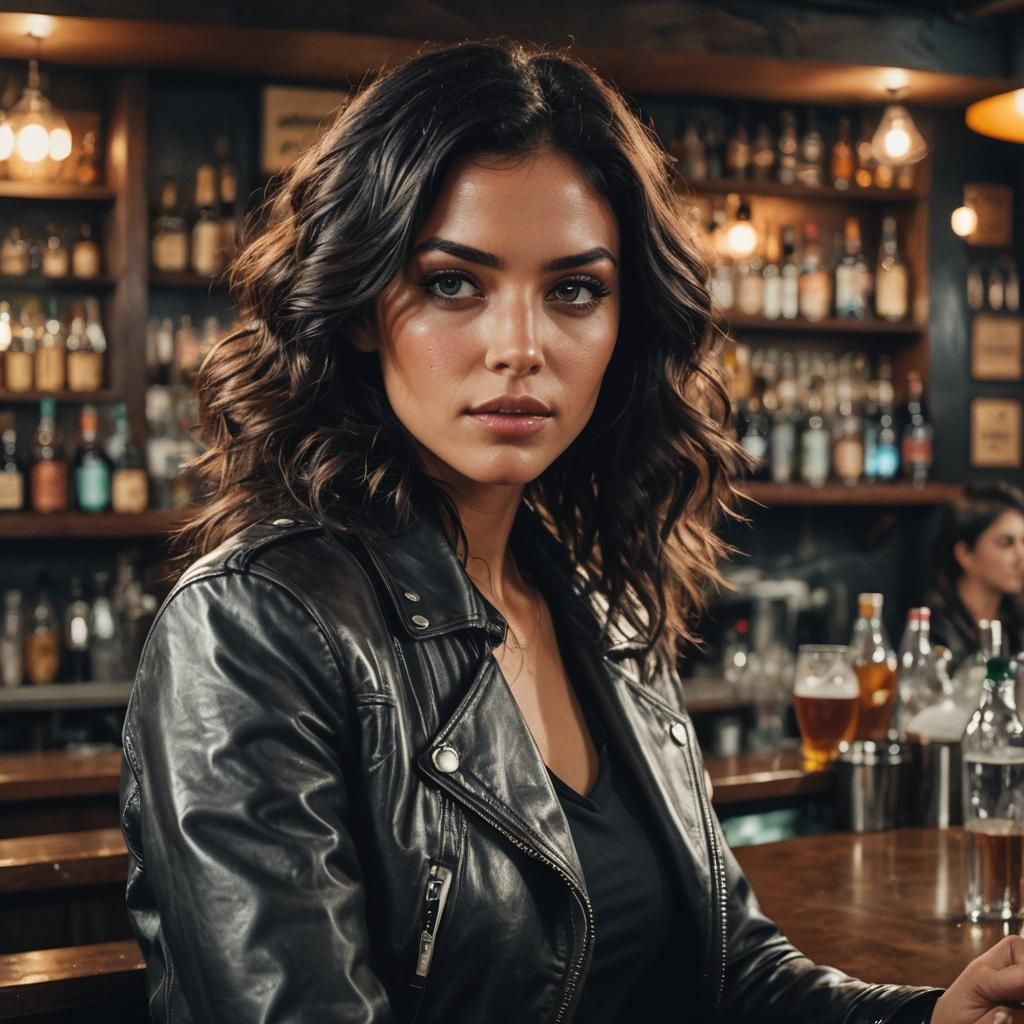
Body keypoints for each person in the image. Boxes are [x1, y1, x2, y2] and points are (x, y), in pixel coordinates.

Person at [119, 40, 1024, 1024]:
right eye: (453, 283)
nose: (521, 348)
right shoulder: (253, 626)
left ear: (624, 323)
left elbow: (729, 972)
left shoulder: (600, 609)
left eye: (574, 289)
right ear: (360, 308)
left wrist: (930, 1015)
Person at [928, 481, 1024, 671]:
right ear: (965, 554)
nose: (1021, 556)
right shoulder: (933, 630)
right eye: (1006, 543)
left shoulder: (1018, 623)